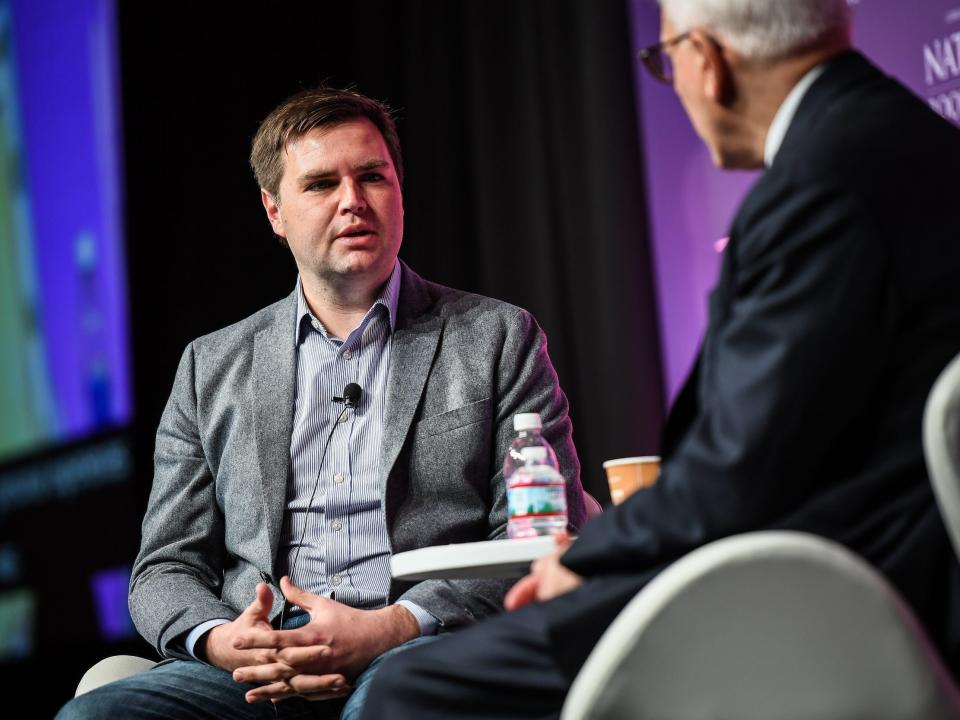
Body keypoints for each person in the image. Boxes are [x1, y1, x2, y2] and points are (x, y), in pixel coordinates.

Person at [359, 0, 960, 717]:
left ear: (707, 61)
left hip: (838, 592)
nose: (673, 82)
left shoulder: (821, 184)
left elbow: (737, 470)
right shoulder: (916, 142)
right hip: (876, 561)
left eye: (666, 60)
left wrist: (585, 560)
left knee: (412, 688)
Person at [56, 87, 586, 719]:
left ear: (399, 191)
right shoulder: (210, 367)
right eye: (319, 185)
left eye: (372, 177)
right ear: (274, 211)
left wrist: (393, 625)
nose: (352, 202)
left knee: (393, 702)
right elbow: (164, 567)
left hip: (417, 647)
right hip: (251, 670)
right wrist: (227, 640)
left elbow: (542, 539)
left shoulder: (497, 338)